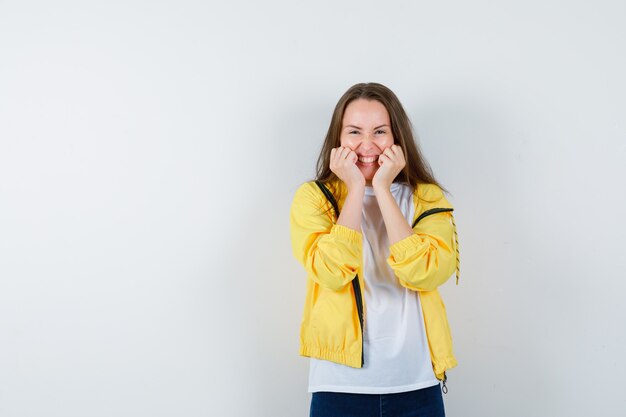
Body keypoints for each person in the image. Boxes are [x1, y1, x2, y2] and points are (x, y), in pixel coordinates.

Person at [289, 82, 461, 417]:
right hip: (339, 386)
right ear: (338, 139)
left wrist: (382, 188)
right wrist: (355, 188)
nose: (367, 145)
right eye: (354, 132)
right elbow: (331, 272)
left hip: (416, 384)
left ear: (397, 137)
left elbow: (426, 273)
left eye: (380, 131)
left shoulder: (426, 198)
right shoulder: (313, 198)